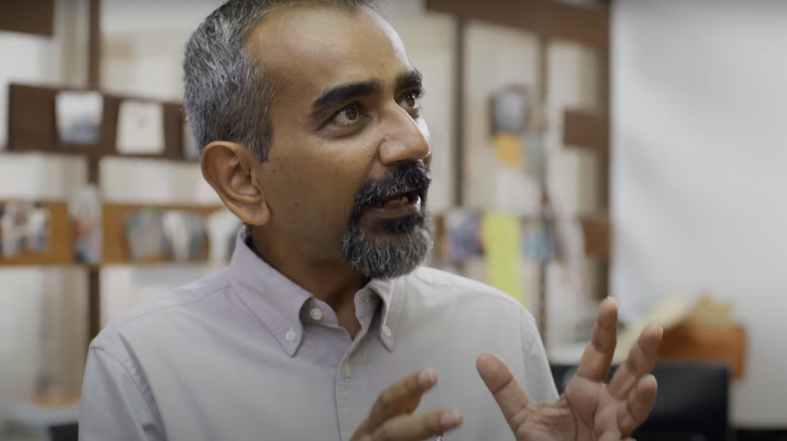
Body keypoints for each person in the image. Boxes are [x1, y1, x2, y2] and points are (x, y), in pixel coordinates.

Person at [79, 1, 663, 440]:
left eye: (409, 100)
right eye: (350, 113)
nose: (413, 142)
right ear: (242, 179)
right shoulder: (141, 366)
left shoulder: (498, 329)